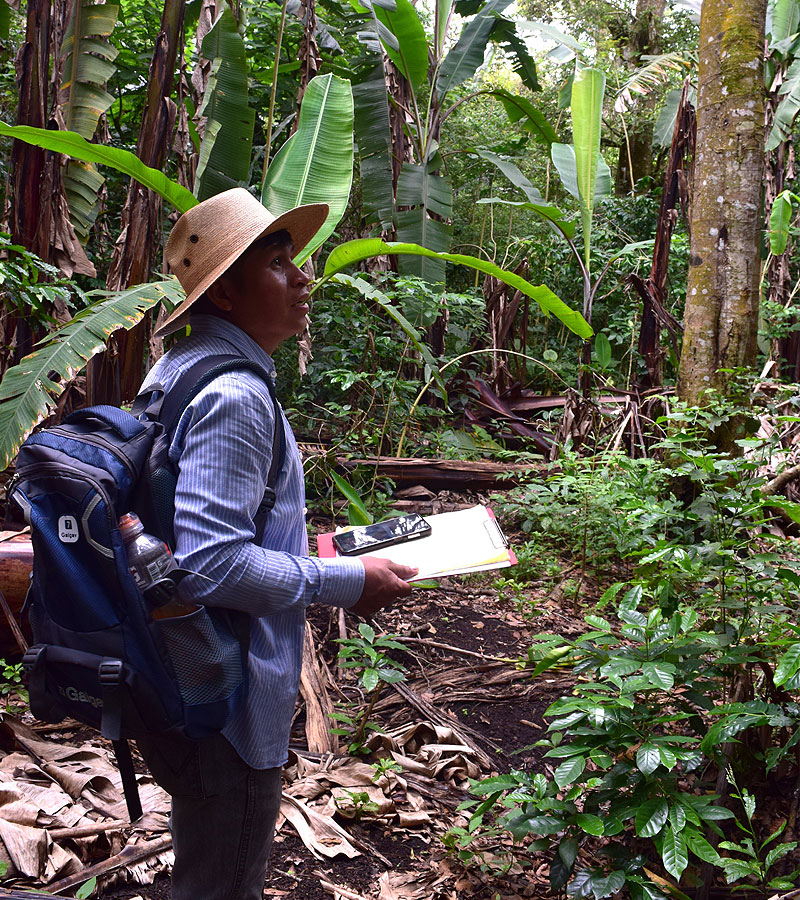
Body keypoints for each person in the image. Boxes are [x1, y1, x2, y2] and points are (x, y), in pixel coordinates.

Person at [135, 187, 417, 900]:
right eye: (277, 263)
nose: (303, 278)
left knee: (205, 864)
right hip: (224, 694)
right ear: (224, 294)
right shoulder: (235, 395)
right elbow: (210, 563)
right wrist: (348, 582)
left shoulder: (178, 370)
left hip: (178, 671)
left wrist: (324, 552)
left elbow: (202, 528)